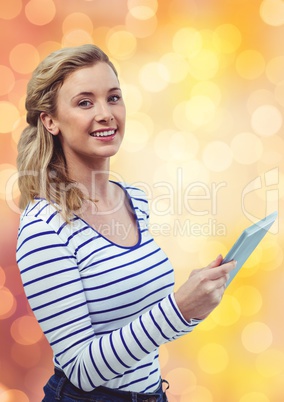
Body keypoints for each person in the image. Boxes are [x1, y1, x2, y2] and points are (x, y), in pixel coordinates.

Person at [16, 44, 235, 402]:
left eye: (113, 98)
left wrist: (197, 301)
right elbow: (81, 370)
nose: (105, 114)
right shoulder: (44, 228)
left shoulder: (134, 199)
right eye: (85, 102)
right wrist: (179, 308)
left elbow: (140, 319)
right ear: (50, 120)